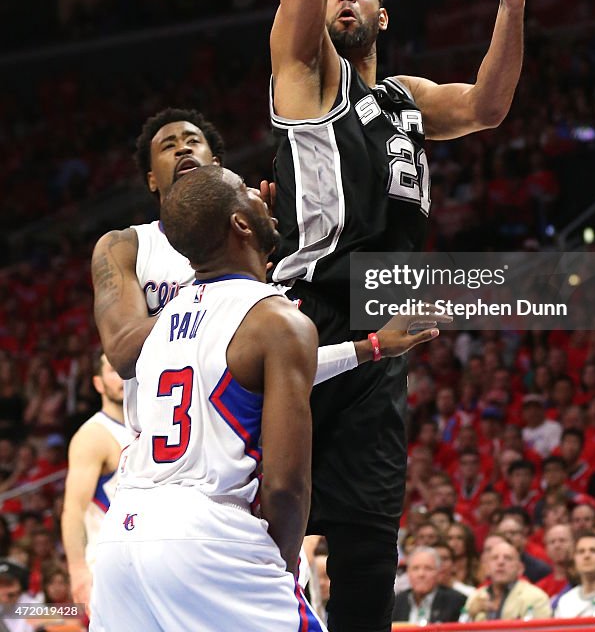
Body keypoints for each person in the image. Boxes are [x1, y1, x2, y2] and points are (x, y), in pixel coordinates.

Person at [268, 0, 562, 632]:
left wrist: (511, 4)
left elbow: (488, 107)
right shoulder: (302, 70)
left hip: (390, 313)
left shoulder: (401, 96)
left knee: (364, 545)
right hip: (309, 309)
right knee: (264, 527)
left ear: (383, 15)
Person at [91, 109, 438, 600]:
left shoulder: (258, 272)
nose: (183, 148)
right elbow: (128, 352)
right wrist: (231, 273)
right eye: (167, 145)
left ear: (217, 162)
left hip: (136, 518)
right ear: (151, 177)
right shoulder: (132, 245)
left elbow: (266, 363)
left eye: (194, 141)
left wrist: (370, 346)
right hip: (212, 514)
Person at [89, 165, 323, 631]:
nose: (260, 195)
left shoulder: (156, 327)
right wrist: (280, 562)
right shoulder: (278, 323)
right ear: (239, 225)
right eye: (246, 193)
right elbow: (285, 485)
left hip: (123, 535)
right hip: (208, 534)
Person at [61, 354, 130, 610]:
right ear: (98, 384)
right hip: (108, 566)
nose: (123, 377)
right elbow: (73, 511)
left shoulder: (151, 426)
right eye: (113, 371)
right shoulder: (93, 435)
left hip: (146, 560)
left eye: (126, 368)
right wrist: (78, 572)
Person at [465, 538, 551, 621]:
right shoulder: (475, 597)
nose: (500, 562)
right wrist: (470, 615)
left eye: (508, 558)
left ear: (520, 569)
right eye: (495, 558)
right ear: (487, 568)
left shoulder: (536, 597)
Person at [391, 547, 466, 625]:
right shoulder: (396, 603)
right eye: (415, 568)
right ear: (408, 572)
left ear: (438, 572)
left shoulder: (456, 601)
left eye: (428, 568)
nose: (421, 574)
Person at [554, 534, 595, 618]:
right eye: (581, 552)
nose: (586, 556)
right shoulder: (566, 602)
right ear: (574, 559)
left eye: (593, 551)